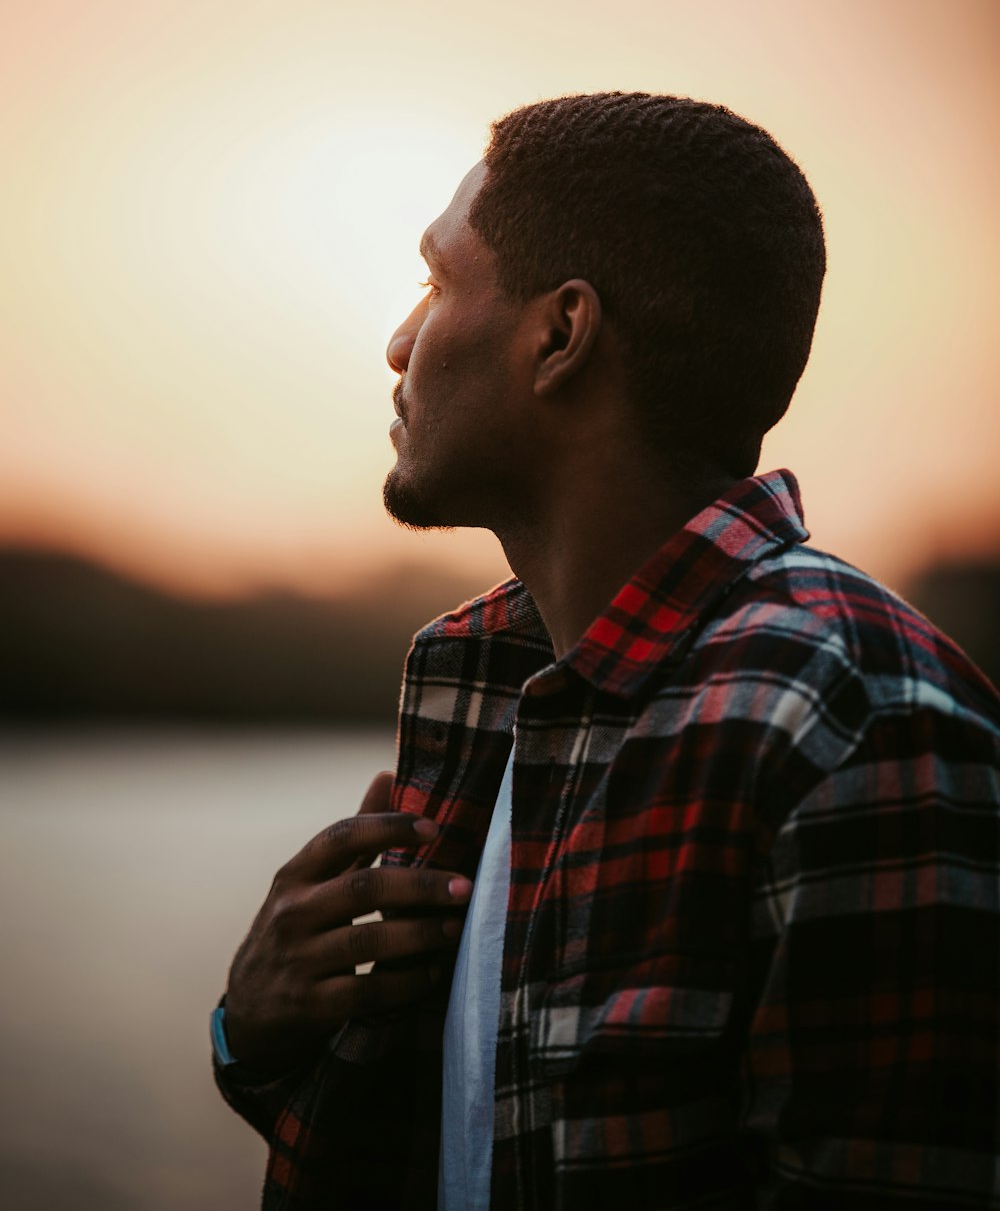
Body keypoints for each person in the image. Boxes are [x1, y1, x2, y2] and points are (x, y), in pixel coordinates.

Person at [213, 93, 1000, 1210]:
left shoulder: (856, 722)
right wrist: (253, 1029)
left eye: (437, 283)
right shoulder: (486, 688)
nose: (398, 340)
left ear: (559, 335)